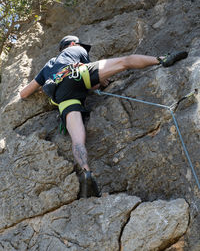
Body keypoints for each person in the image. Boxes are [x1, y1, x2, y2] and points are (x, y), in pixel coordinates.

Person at [20, 35, 188, 198]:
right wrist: (102, 83)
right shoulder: (75, 49)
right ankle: (161, 59)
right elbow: (92, 83)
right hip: (76, 73)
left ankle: (87, 173)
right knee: (125, 62)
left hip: (62, 96)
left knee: (77, 141)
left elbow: (24, 93)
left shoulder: (49, 65)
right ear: (72, 44)